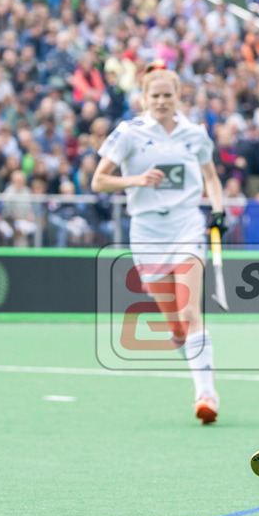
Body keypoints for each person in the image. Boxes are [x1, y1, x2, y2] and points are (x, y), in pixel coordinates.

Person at [92, 62, 226, 425]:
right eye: (156, 96)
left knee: (189, 311)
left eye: (168, 95)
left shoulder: (194, 133)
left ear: (177, 95)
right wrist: (135, 179)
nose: (162, 101)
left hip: (186, 226)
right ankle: (181, 339)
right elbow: (99, 182)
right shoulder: (129, 132)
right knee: (177, 326)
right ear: (144, 97)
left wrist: (218, 210)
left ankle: (206, 394)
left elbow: (211, 178)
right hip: (147, 232)